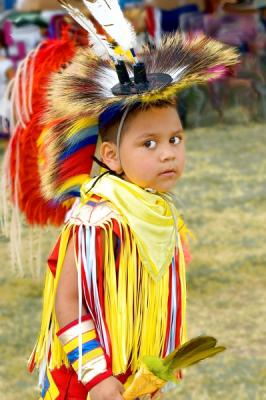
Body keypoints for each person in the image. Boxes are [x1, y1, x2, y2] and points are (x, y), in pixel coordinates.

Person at [4, 1, 238, 399]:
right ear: (111, 156)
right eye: (148, 143)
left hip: (133, 372)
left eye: (174, 139)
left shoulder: (156, 208)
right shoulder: (98, 216)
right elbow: (69, 298)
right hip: (91, 379)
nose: (167, 153)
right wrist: (96, 377)